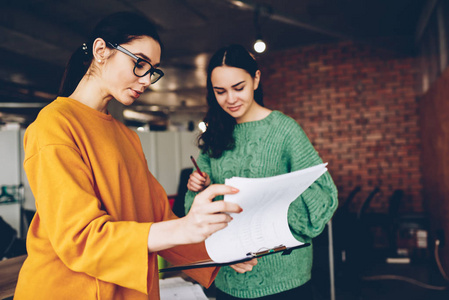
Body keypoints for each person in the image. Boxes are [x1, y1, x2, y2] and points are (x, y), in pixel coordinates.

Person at [14, 13, 256, 300]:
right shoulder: (54, 125)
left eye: (152, 70)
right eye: (139, 63)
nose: (146, 80)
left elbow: (157, 218)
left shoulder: (127, 136)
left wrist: (219, 253)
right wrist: (185, 227)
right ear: (101, 51)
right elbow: (80, 238)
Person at [185, 44, 338, 299]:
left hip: (285, 277)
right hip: (229, 276)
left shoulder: (284, 130)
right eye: (220, 91)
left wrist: (273, 209)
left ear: (256, 79)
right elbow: (196, 216)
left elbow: (323, 197)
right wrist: (200, 188)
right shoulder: (215, 135)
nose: (230, 99)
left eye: (238, 87)